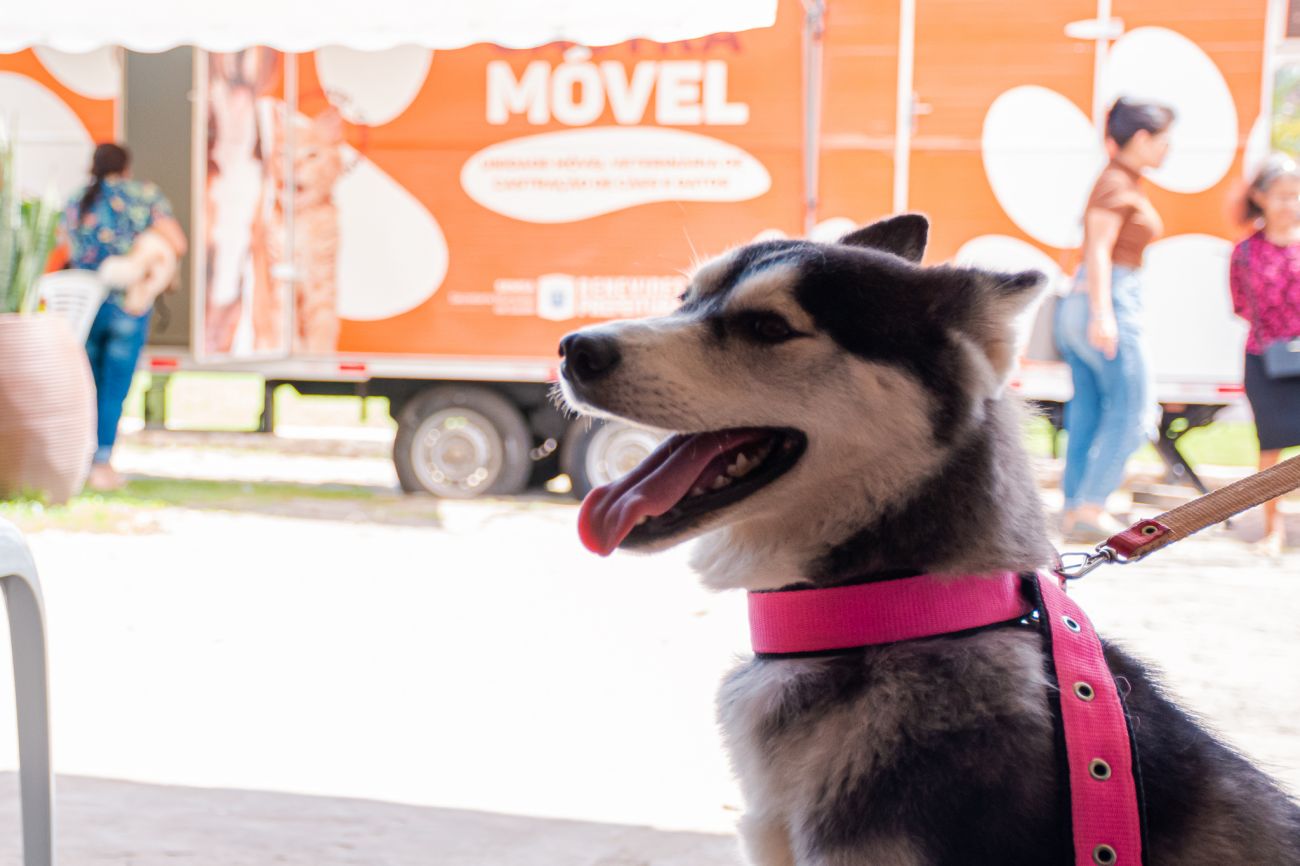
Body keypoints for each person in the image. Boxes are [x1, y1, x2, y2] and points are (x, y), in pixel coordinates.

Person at [1054, 98, 1174, 541]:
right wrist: (1103, 314)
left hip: (1087, 302)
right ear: (1141, 139)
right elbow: (1098, 249)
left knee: (1088, 411)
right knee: (1135, 410)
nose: (1168, 149)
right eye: (1163, 140)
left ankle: (1075, 509)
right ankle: (1091, 505)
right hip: (1107, 301)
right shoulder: (1116, 183)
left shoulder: (1117, 180)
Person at [62, 143, 187, 492]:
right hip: (127, 306)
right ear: (126, 167)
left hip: (84, 305)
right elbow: (177, 243)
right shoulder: (143, 196)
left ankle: (76, 459)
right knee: (113, 389)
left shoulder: (76, 200)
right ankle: (101, 464)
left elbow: (66, 247)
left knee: (84, 386)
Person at [1229, 153, 1300, 554]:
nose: (1290, 204)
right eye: (1282, 195)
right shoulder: (1245, 252)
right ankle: (1273, 530)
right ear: (1261, 198)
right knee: (1270, 445)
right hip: (1265, 361)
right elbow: (1240, 304)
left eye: (1296, 195)